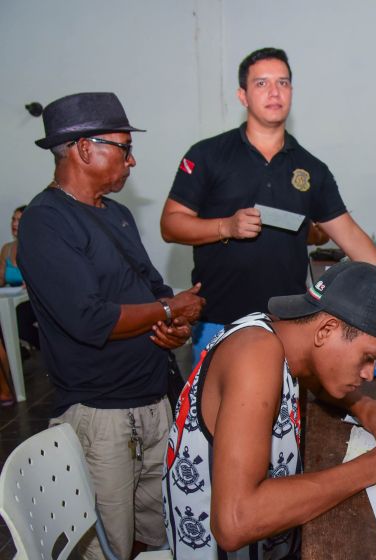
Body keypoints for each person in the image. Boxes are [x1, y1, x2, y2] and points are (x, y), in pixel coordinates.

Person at [160, 47, 376, 365]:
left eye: (283, 82)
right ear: (242, 95)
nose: (274, 92)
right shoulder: (208, 155)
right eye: (261, 83)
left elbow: (349, 234)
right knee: (213, 413)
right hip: (218, 321)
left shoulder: (312, 169)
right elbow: (170, 224)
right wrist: (225, 226)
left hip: (287, 323)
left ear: (292, 91)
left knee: (284, 414)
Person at [18, 92, 206, 559]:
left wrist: (176, 324)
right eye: (123, 147)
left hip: (152, 402)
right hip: (101, 415)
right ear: (84, 148)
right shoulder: (46, 222)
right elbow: (90, 318)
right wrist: (169, 312)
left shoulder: (117, 215)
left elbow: (155, 289)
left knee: (164, 530)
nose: (132, 159)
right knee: (109, 545)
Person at [163, 261, 376, 559]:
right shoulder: (254, 356)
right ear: (326, 330)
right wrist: (374, 467)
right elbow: (235, 522)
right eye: (367, 357)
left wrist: (362, 405)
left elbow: (309, 374)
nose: (370, 374)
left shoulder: (282, 335)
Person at [1, 205, 40, 352]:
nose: (14, 223)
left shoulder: (36, 246)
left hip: (34, 301)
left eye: (19, 220)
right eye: (13, 219)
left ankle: (50, 352)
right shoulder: (7, 248)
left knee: (18, 320)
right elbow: (1, 277)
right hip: (13, 300)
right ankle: (13, 357)